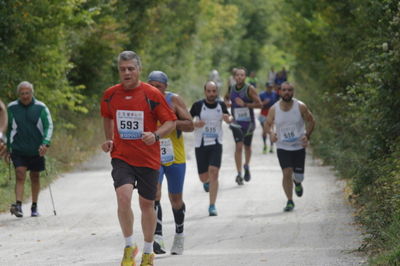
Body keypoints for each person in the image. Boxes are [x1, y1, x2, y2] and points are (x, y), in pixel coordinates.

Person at [100, 51, 176, 266]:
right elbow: (106, 116)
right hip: (121, 156)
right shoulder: (110, 94)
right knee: (123, 198)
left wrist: (156, 135)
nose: (126, 72)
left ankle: (148, 250)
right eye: (122, 69)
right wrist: (108, 139)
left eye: (130, 69)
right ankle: (128, 246)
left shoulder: (152, 94)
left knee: (146, 204)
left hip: (148, 158)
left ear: (138, 70)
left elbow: (170, 122)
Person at [147, 71, 194, 256]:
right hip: (153, 155)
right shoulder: (144, 100)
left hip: (175, 156)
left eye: (158, 86)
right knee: (154, 194)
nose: (154, 89)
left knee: (175, 199)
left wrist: (173, 122)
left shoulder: (174, 100)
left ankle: (179, 235)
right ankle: (157, 236)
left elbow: (190, 125)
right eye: (151, 85)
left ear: (165, 87)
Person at [264, 82, 315, 212]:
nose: (287, 92)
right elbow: (267, 123)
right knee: (286, 173)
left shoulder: (300, 106)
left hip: (298, 147)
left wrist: (307, 136)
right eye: (284, 90)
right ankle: (290, 200)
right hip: (283, 147)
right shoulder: (274, 109)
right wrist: (271, 133)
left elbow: (311, 121)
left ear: (293, 92)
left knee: (298, 176)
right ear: (279, 92)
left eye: (290, 90)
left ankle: (297, 183)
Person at [6, 81, 53, 218]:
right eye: (22, 94)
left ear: (32, 93)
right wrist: (7, 147)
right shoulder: (12, 108)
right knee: (20, 174)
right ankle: (18, 205)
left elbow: (48, 126)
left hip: (36, 149)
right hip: (18, 149)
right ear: (18, 94)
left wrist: (45, 143)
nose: (25, 96)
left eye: (27, 93)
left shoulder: (40, 107)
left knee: (35, 176)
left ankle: (34, 206)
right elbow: (7, 129)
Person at [190, 81, 232, 216]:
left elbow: (229, 116)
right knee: (203, 177)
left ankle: (212, 205)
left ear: (217, 92)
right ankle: (206, 182)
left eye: (214, 91)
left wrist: (228, 119)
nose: (212, 94)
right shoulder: (198, 105)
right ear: (205, 92)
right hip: (201, 144)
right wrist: (195, 124)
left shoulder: (221, 105)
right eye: (209, 91)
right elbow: (186, 121)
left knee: (214, 172)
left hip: (216, 143)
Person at [224, 67, 262, 185]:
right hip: (236, 123)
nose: (239, 77)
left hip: (248, 123)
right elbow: (226, 97)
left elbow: (259, 104)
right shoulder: (231, 88)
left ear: (245, 77)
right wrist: (227, 103)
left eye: (242, 75)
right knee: (238, 147)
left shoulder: (250, 89)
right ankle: (239, 173)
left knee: (247, 147)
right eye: (237, 75)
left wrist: (245, 104)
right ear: (234, 77)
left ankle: (246, 165)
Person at [258, 82, 279, 154]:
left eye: (271, 87)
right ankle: (264, 145)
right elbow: (258, 104)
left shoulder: (275, 94)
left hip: (272, 114)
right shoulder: (261, 94)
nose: (270, 88)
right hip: (263, 114)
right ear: (266, 87)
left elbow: (278, 103)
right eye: (269, 87)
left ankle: (271, 146)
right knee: (265, 131)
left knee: (271, 130)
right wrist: (264, 103)